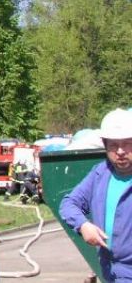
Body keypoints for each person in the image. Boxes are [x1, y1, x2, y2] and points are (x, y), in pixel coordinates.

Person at [60, 108, 132, 283]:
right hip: (110, 271)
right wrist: (83, 224)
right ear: (105, 145)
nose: (120, 151)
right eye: (114, 145)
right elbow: (69, 204)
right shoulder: (100, 174)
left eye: (127, 144)